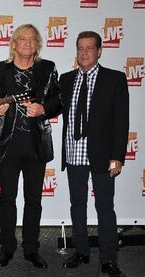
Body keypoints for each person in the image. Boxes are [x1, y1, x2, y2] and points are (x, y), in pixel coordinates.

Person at [0, 24, 61, 269]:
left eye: (32, 39)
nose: (27, 43)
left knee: (34, 200)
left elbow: (59, 100)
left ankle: (31, 249)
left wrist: (44, 109)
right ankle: (7, 248)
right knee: (7, 199)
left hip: (37, 147)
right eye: (22, 39)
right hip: (7, 146)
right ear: (13, 44)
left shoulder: (47, 69)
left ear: (37, 45)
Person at [60, 31, 129, 277]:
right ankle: (81, 251)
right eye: (80, 48)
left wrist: (118, 156)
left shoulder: (115, 79)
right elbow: (53, 107)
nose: (84, 52)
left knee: (105, 207)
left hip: (102, 155)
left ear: (99, 51)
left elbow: (121, 122)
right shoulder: (66, 80)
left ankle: (109, 259)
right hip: (74, 151)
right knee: (77, 205)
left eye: (90, 48)